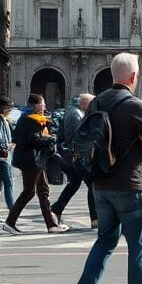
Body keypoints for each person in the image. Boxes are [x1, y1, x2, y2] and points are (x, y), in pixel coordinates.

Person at [65, 52, 142, 284]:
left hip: (100, 184)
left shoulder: (98, 101)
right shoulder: (136, 105)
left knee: (105, 241)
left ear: (113, 75)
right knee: (139, 246)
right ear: (133, 77)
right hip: (129, 186)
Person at [4, 93, 66, 234]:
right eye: (42, 104)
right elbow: (33, 140)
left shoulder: (27, 118)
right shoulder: (31, 119)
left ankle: (51, 225)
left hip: (36, 160)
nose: (44, 107)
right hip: (31, 160)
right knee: (29, 192)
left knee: (43, 191)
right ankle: (10, 222)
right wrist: (51, 139)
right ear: (34, 105)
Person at [52, 94, 97, 227]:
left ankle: (56, 210)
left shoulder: (75, 112)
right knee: (93, 184)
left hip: (73, 156)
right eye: (91, 103)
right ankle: (95, 219)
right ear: (84, 103)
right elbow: (76, 136)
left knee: (75, 183)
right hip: (77, 157)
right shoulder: (76, 114)